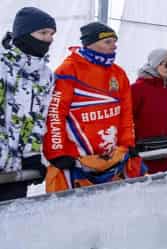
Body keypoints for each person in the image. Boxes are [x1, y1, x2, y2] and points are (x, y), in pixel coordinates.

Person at [43, 22, 145, 193]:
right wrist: (57, 152)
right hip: (77, 162)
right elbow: (54, 114)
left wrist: (128, 143)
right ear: (90, 43)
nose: (114, 45)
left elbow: (126, 113)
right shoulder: (68, 70)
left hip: (111, 161)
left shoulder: (118, 73)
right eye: (108, 41)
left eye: (115, 41)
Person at [0, 7, 56, 201]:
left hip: (16, 171)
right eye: (43, 33)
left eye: (51, 34)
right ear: (23, 33)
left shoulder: (45, 74)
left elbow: (39, 117)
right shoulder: (2, 66)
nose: (48, 39)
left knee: (11, 224)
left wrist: (32, 155)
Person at [131, 48, 167, 174]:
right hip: (143, 156)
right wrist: (129, 150)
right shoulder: (137, 90)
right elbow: (126, 122)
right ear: (154, 64)